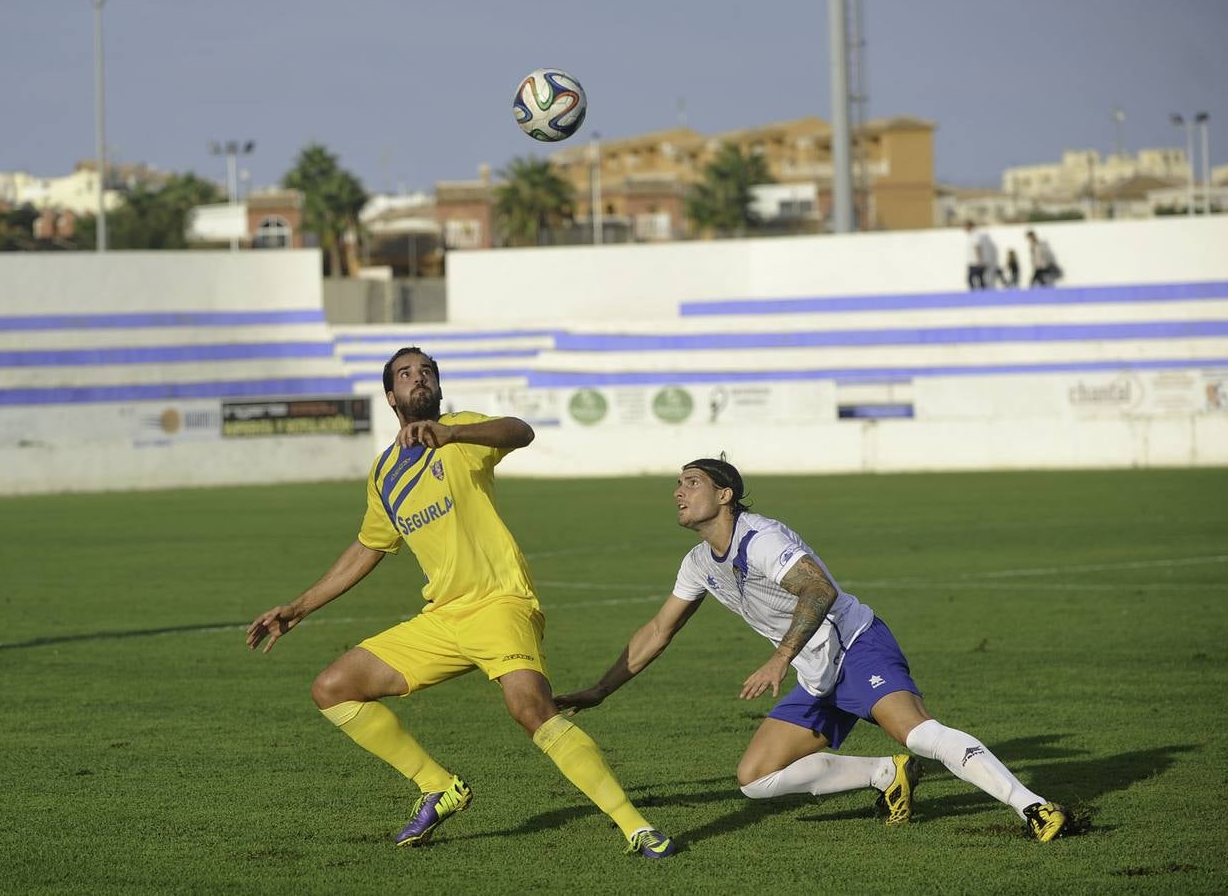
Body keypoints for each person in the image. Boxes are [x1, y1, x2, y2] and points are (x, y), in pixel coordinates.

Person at [246, 346, 676, 859]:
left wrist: (453, 434)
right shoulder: (384, 473)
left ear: (439, 387)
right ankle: (438, 787)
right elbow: (368, 546)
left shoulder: (461, 434)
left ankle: (635, 827)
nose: (418, 378)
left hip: (500, 603)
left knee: (530, 708)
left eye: (426, 371)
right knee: (334, 688)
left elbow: (520, 430)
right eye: (406, 374)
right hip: (443, 617)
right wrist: (298, 607)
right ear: (391, 396)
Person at [554, 456, 1070, 842]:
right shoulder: (698, 562)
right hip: (813, 666)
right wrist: (601, 689)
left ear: (726, 493)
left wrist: (779, 656)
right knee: (755, 780)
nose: (678, 492)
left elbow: (818, 590)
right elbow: (657, 631)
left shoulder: (762, 539)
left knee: (919, 733)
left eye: (692, 482)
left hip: (853, 645)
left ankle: (1036, 807)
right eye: (678, 483)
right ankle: (884, 774)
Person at [963, 220, 998, 289]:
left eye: (965, 226)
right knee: (980, 278)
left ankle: (977, 294)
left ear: (970, 226)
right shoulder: (974, 235)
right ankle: (982, 294)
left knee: (971, 278)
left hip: (975, 262)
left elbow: (977, 247)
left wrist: (979, 260)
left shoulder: (975, 235)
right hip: (975, 261)